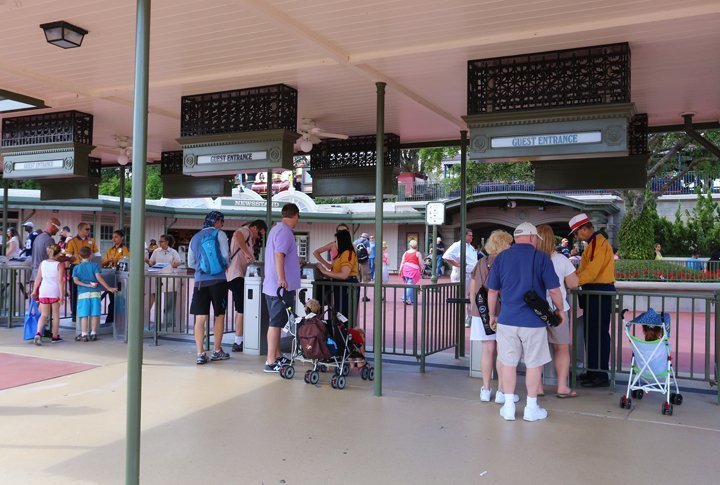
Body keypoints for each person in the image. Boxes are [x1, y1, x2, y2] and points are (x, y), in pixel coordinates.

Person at [487, 222, 566, 422]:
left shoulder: (501, 257)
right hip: (533, 322)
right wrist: (559, 309)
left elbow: (492, 291)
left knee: (508, 364)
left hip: (507, 320)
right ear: (532, 238)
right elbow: (555, 290)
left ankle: (508, 407)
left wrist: (491, 314)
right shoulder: (541, 258)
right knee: (533, 364)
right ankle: (531, 408)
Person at [569, 213, 616, 388]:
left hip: (599, 292)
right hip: (595, 292)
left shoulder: (598, 243)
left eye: (576, 232)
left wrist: (575, 280)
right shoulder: (594, 244)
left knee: (599, 334)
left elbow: (593, 271)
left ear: (585, 228)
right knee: (592, 333)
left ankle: (601, 374)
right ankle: (593, 370)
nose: (576, 236)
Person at [469, 229, 514, 404]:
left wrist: (473, 308)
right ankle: (502, 391)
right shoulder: (507, 262)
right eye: (509, 243)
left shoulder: (480, 262)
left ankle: (486, 389)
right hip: (503, 311)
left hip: (480, 312)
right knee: (503, 352)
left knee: (487, 350)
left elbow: (472, 290)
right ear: (503, 244)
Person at [536, 224, 579, 398]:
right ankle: (562, 386)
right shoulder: (561, 259)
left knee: (535, 349)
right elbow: (574, 283)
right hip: (557, 309)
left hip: (535, 310)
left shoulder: (532, 259)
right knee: (561, 348)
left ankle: (537, 387)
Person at [262, 203, 301, 373]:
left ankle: (277, 355)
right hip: (279, 286)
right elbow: (279, 255)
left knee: (276, 322)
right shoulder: (285, 232)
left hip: (271, 285)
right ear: (296, 215)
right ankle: (270, 361)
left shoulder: (275, 229)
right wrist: (282, 278)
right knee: (276, 323)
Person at [188, 211, 230, 365]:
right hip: (218, 281)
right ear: (217, 222)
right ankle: (217, 350)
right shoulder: (220, 234)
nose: (222, 225)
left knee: (200, 318)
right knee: (219, 315)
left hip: (200, 282)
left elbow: (191, 263)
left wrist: (202, 268)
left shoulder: (195, 238)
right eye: (222, 222)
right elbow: (225, 256)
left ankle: (200, 353)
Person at [227, 219, 267, 352]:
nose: (259, 237)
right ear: (254, 228)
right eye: (259, 234)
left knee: (242, 308)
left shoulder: (250, 238)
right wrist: (247, 253)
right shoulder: (245, 231)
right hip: (236, 275)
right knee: (241, 309)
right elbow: (237, 236)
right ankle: (238, 340)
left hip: (239, 276)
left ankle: (241, 338)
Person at [73, 246, 117, 342]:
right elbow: (99, 278)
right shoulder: (95, 266)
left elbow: (76, 281)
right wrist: (109, 288)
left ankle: (84, 334)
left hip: (83, 293)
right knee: (94, 314)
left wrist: (86, 285)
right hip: (95, 292)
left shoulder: (76, 267)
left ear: (79, 256)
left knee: (84, 314)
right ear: (91, 255)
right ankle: (93, 333)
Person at [317, 229, 360, 322]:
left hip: (347, 287)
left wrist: (324, 271)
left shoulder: (348, 253)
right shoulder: (341, 254)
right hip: (340, 287)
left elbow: (344, 275)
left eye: (336, 241)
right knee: (339, 313)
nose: (335, 243)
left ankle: (346, 335)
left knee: (345, 315)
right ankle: (340, 334)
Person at [64, 222, 101, 322]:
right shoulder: (72, 241)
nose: (89, 231)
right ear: (80, 230)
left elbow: (97, 255)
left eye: (89, 229)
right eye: (87, 229)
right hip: (76, 267)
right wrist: (67, 271)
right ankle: (75, 314)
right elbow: (67, 257)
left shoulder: (92, 241)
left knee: (89, 291)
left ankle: (88, 313)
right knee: (74, 291)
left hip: (89, 267)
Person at [31, 244, 66, 345]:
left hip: (43, 291)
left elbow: (38, 278)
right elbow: (60, 281)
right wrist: (62, 295)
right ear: (59, 253)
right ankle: (54, 336)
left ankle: (38, 333)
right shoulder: (59, 265)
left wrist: (34, 291)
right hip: (54, 291)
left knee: (44, 314)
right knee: (55, 315)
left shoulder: (43, 263)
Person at [443, 228, 478, 325]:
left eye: (472, 235)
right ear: (464, 235)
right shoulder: (457, 245)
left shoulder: (470, 247)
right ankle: (460, 318)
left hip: (471, 274)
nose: (472, 237)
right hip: (461, 274)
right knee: (461, 296)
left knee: (470, 296)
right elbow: (446, 256)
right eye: (470, 235)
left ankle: (469, 317)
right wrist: (457, 264)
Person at [146, 234, 183, 314]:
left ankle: (168, 321)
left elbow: (178, 262)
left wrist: (170, 266)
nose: (159, 243)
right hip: (157, 277)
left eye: (161, 241)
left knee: (169, 299)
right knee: (153, 295)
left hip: (169, 277)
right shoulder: (156, 251)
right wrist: (147, 260)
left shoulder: (173, 252)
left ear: (167, 242)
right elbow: (151, 262)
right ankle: (147, 315)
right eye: (159, 241)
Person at [101, 229, 129, 324]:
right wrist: (109, 260)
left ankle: (118, 321)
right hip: (112, 276)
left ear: (122, 238)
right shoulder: (110, 250)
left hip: (121, 276)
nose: (114, 239)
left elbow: (125, 261)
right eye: (113, 237)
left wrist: (116, 260)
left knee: (120, 300)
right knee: (112, 299)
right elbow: (103, 262)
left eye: (116, 237)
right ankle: (110, 321)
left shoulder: (125, 249)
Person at [31, 218, 63, 282]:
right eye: (58, 228)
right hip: (43, 275)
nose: (57, 231)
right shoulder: (49, 239)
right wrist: (68, 259)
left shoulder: (38, 237)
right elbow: (54, 257)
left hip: (35, 274)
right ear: (53, 226)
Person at [398, 240, 423, 304]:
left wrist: (400, 269)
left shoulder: (406, 253)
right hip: (413, 270)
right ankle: (405, 297)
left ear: (410, 245)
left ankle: (412, 299)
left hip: (405, 269)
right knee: (411, 285)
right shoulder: (418, 253)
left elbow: (402, 262)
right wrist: (422, 269)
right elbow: (420, 263)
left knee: (411, 284)